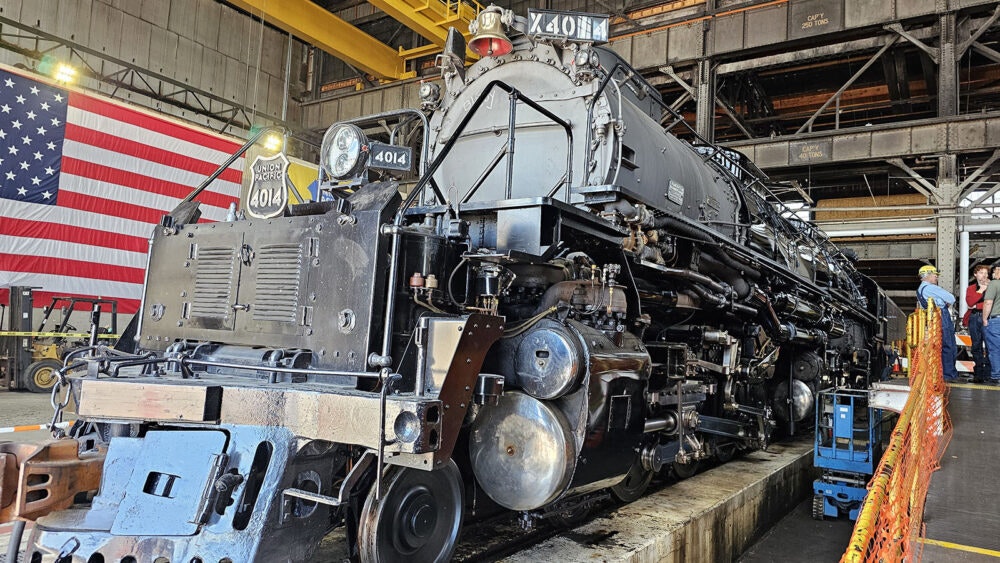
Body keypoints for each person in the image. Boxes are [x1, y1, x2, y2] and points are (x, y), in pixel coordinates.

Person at [916, 265, 958, 382]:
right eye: (935, 275)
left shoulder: (920, 289)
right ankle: (949, 374)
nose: (936, 277)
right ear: (927, 275)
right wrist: (945, 305)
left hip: (932, 317)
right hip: (941, 315)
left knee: (942, 345)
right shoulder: (931, 288)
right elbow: (951, 298)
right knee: (948, 345)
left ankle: (943, 373)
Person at [965, 264, 991, 383]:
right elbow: (970, 302)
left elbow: (994, 302)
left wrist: (978, 305)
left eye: (986, 273)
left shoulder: (993, 286)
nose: (984, 275)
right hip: (975, 317)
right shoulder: (971, 288)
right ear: (975, 274)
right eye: (981, 273)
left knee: (991, 346)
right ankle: (979, 373)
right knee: (976, 346)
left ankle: (989, 372)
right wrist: (981, 290)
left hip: (989, 316)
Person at [981, 264, 1000, 384]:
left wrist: (984, 319)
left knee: (995, 349)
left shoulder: (994, 284)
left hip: (996, 320)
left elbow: (988, 302)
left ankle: (996, 375)